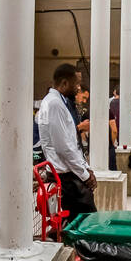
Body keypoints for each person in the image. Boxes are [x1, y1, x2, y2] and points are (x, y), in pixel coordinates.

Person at [37, 64, 97, 223]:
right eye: (76, 84)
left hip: (69, 173)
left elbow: (70, 141)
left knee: (75, 223)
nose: (78, 88)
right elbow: (64, 148)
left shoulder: (57, 102)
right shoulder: (55, 104)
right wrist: (85, 175)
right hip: (67, 177)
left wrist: (86, 167)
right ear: (64, 83)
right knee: (87, 223)